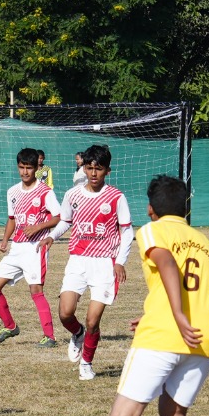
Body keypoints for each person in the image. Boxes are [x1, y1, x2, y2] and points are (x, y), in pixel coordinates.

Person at [67, 175, 209, 416]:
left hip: (170, 332)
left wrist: (175, 316)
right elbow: (196, 287)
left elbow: (166, 263)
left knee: (123, 414)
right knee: (173, 412)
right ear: (187, 207)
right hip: (206, 335)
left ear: (151, 210)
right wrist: (157, 313)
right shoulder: (203, 241)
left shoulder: (153, 230)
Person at [48, 143, 133, 381]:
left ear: (108, 170)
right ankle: (77, 333)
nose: (93, 173)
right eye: (90, 167)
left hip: (105, 264)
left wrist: (120, 261)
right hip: (78, 260)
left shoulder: (116, 197)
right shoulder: (72, 195)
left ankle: (86, 362)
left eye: (99, 168)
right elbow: (65, 221)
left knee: (93, 319)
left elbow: (127, 231)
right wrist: (51, 236)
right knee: (65, 313)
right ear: (84, 168)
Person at [0, 148, 61, 347]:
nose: (25, 172)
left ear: (37, 168)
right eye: (21, 167)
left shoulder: (45, 192)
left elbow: (59, 217)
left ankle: (49, 337)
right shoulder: (12, 191)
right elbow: (12, 219)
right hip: (17, 248)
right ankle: (10, 326)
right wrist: (5, 240)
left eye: (29, 168)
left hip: (35, 248)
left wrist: (39, 227)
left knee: (36, 290)